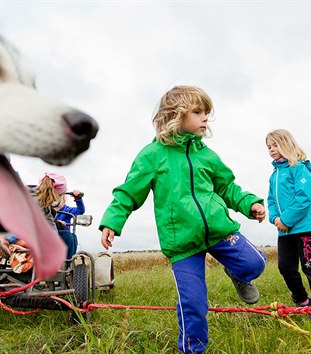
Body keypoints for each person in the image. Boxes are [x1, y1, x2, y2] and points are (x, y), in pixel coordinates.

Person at [99, 86, 267, 353]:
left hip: (219, 231)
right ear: (176, 115)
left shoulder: (206, 155)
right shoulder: (153, 155)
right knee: (193, 305)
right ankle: (193, 349)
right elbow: (129, 191)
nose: (205, 119)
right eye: (198, 112)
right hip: (182, 244)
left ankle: (238, 275)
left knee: (255, 264)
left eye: (207, 113)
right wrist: (112, 221)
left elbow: (227, 187)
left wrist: (250, 204)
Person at [265, 129, 311, 322]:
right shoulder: (273, 175)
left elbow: (304, 197)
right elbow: (271, 201)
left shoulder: (299, 168)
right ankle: (302, 300)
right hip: (284, 232)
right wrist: (275, 218)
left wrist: (286, 220)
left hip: (305, 229)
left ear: (286, 144)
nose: (271, 150)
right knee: (285, 267)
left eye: (275, 145)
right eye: (268, 146)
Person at [55, 189, 86, 260]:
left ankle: (69, 261)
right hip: (51, 233)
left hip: (63, 236)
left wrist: (78, 198)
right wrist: (57, 222)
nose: (55, 202)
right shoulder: (47, 210)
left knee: (73, 236)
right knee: (67, 235)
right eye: (54, 199)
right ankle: (67, 261)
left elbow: (80, 210)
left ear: (63, 200)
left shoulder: (67, 210)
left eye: (58, 199)